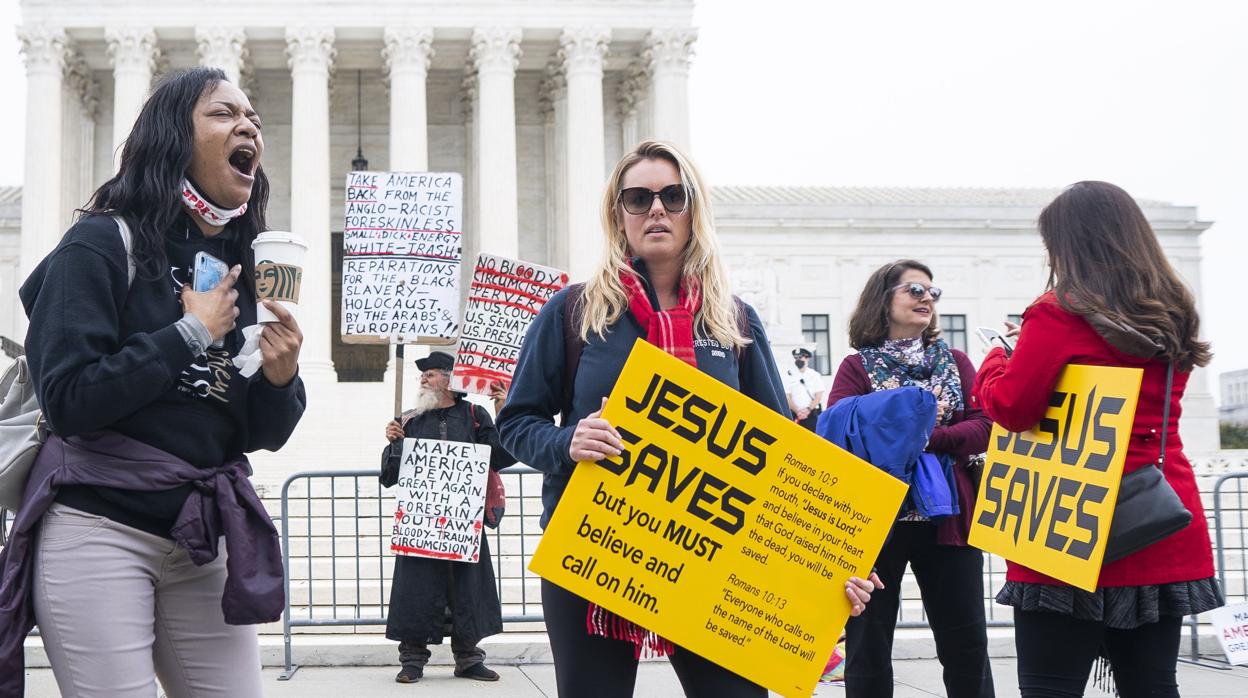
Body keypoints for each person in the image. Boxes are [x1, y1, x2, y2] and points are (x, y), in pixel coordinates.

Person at [497, 140, 881, 698]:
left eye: (672, 196)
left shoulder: (733, 319)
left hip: (717, 563)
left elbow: (781, 453)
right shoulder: (574, 311)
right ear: (618, 214)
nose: (656, 209)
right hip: (594, 555)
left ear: (693, 209)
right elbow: (516, 422)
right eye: (638, 197)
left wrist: (829, 559)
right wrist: (567, 442)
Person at [0, 67, 305, 697]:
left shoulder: (239, 267)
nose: (247, 125)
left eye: (253, 118)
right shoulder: (98, 245)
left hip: (201, 536)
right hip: (98, 529)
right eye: (223, 113)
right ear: (173, 136)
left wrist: (281, 378)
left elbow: (254, 433)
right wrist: (187, 334)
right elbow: (69, 399)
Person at [974, 181, 1223, 698]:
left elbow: (1012, 408)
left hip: (1069, 514)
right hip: (1160, 513)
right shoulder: (1173, 309)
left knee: (1050, 687)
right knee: (1152, 685)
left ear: (1069, 244)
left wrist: (997, 360)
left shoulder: (1057, 312)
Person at [829, 260, 994, 698]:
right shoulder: (856, 367)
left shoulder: (955, 361)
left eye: (932, 293)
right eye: (915, 290)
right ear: (884, 299)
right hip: (876, 522)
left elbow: (983, 427)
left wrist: (920, 435)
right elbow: (841, 432)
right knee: (867, 643)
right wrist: (930, 433)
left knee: (966, 643)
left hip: (949, 519)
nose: (927, 300)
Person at [380, 351, 514, 684]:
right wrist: (394, 444)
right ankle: (412, 659)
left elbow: (502, 455)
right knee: (416, 589)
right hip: (422, 522)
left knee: (466, 590)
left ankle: (468, 658)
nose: (424, 378)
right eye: (423, 374)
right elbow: (389, 475)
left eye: (432, 373)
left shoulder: (475, 415)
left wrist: (503, 409)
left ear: (451, 381)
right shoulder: (408, 420)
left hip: (462, 522)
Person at [785, 346, 825, 431]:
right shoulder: (790, 375)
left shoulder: (815, 375)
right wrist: (798, 411)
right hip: (796, 414)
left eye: (800, 357)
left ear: (807, 358)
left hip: (812, 413)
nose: (798, 360)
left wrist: (808, 410)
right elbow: (788, 397)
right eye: (795, 358)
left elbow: (818, 396)